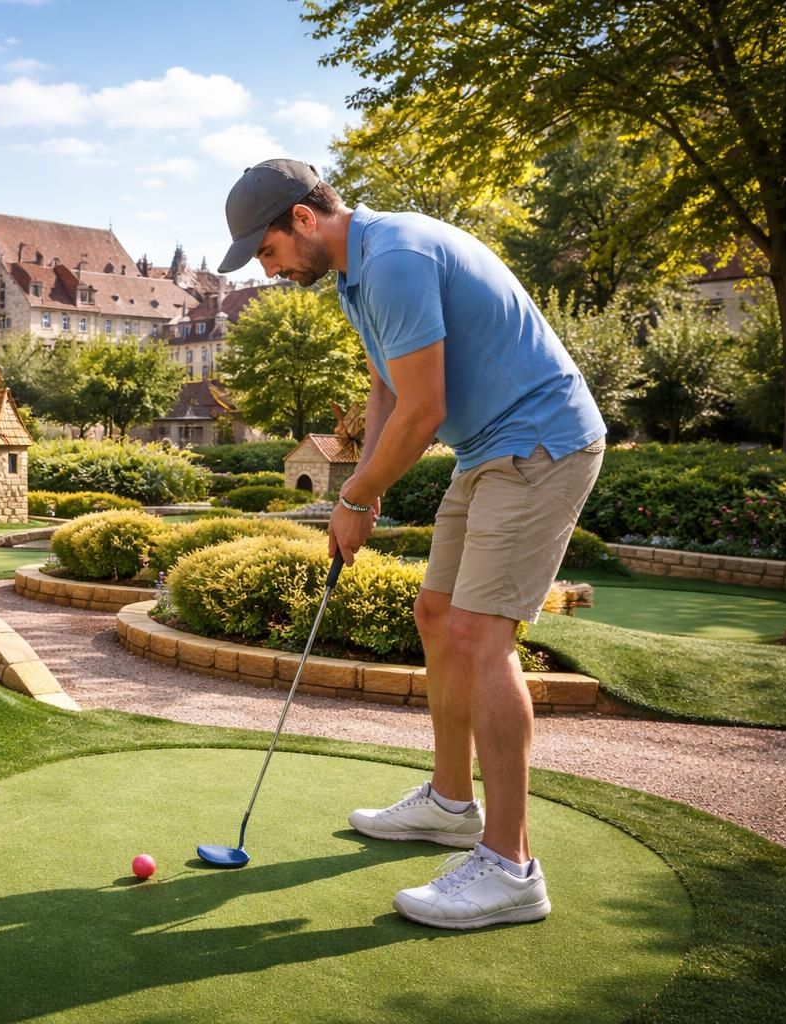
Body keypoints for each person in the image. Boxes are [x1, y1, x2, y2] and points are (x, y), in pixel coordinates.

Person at [217, 159, 606, 930]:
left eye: (265, 252)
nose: (268, 271)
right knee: (436, 614)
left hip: (540, 442)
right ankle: (451, 804)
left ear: (301, 218)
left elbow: (423, 409)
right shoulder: (358, 278)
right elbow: (389, 389)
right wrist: (364, 485)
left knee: (480, 634)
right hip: (487, 449)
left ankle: (510, 867)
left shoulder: (393, 260)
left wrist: (356, 496)